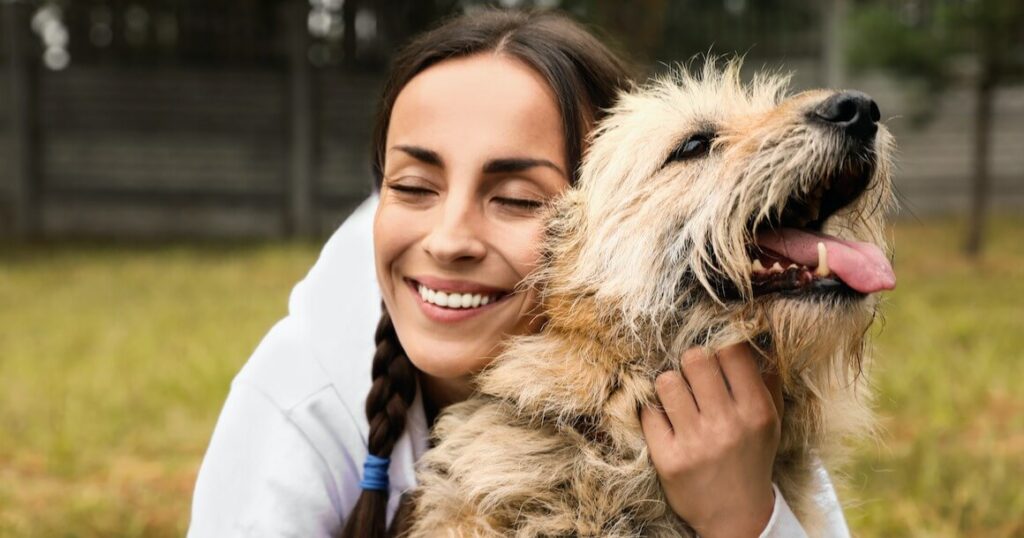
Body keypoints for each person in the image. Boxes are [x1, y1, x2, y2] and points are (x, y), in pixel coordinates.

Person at [189, 8, 850, 538]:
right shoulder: (305, 391)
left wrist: (746, 520)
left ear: (597, 221)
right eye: (413, 186)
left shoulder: (722, 375)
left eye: (517, 200)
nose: (448, 241)